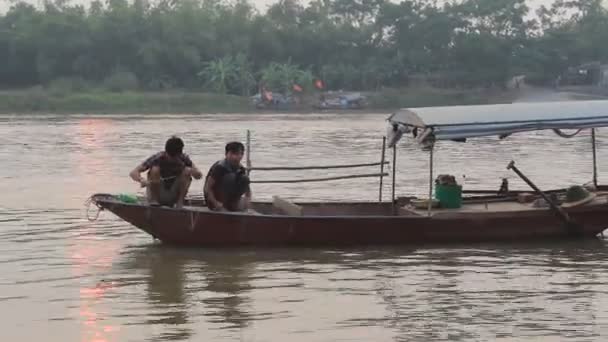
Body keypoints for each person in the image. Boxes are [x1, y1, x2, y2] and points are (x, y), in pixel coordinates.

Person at [130, 136, 202, 208]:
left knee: (187, 171)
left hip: (173, 193)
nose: (173, 160)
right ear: (166, 152)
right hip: (158, 192)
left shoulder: (183, 158)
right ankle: (154, 201)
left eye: (175, 157)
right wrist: (141, 180)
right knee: (155, 169)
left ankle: (179, 202)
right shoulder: (158, 158)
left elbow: (199, 175)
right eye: (171, 157)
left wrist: (193, 172)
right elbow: (133, 172)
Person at [204, 142, 252, 212]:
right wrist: (216, 203)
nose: (237, 157)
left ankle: (233, 204)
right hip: (214, 200)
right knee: (230, 177)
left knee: (244, 178)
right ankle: (224, 206)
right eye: (233, 154)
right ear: (226, 154)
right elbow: (207, 188)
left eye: (240, 154)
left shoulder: (240, 168)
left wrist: (248, 200)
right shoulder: (220, 167)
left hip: (229, 198)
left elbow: (247, 189)